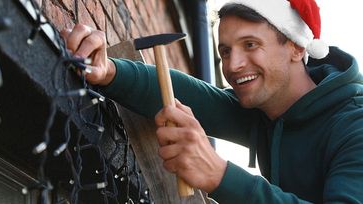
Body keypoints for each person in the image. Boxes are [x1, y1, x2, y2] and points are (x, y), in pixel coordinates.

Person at [60, 0, 363, 203]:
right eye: (225, 51)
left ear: (297, 47)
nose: (233, 65)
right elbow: (189, 95)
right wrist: (109, 71)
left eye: (250, 45)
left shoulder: (355, 126)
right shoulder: (266, 109)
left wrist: (219, 174)